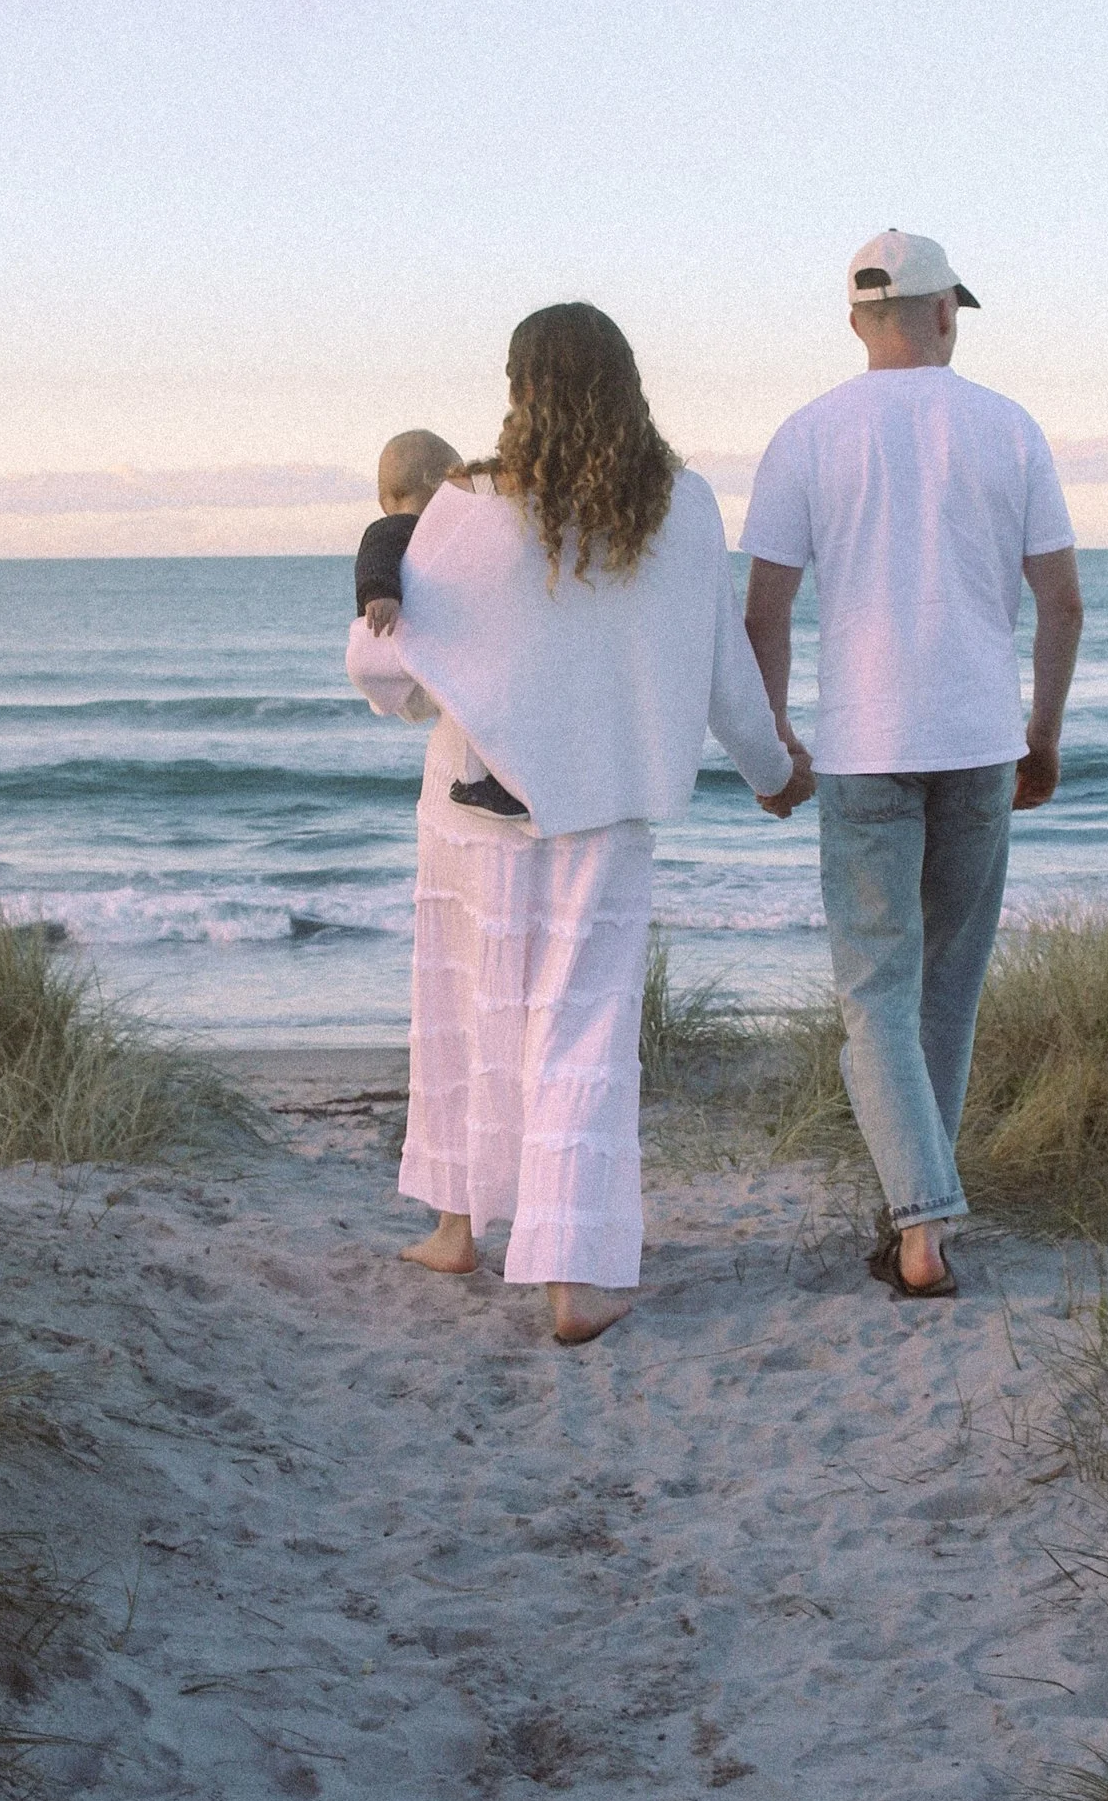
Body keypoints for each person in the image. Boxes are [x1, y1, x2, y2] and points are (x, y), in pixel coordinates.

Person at [348, 302, 813, 1346]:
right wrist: (773, 771)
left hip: (470, 808)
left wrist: (435, 676)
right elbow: (722, 671)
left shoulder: (466, 509)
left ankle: (458, 1228)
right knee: (579, 1039)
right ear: (626, 385)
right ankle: (572, 1278)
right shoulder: (683, 508)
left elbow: (386, 667)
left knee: (466, 1015)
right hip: (600, 816)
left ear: (518, 393)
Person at [742, 229, 1083, 1299]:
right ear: (943, 314)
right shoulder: (1007, 427)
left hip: (863, 751)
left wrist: (777, 736)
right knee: (947, 988)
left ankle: (920, 1226)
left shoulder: (805, 434)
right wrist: (1045, 732)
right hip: (979, 744)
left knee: (875, 996)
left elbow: (764, 612)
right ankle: (923, 1218)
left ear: (856, 321)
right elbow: (1060, 602)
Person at [354, 429, 525, 818]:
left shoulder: (441, 533)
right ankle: (489, 785)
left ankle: (494, 784)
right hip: (402, 630)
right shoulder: (402, 525)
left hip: (430, 641)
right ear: (440, 482)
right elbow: (375, 555)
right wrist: (379, 594)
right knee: (481, 715)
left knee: (477, 714)